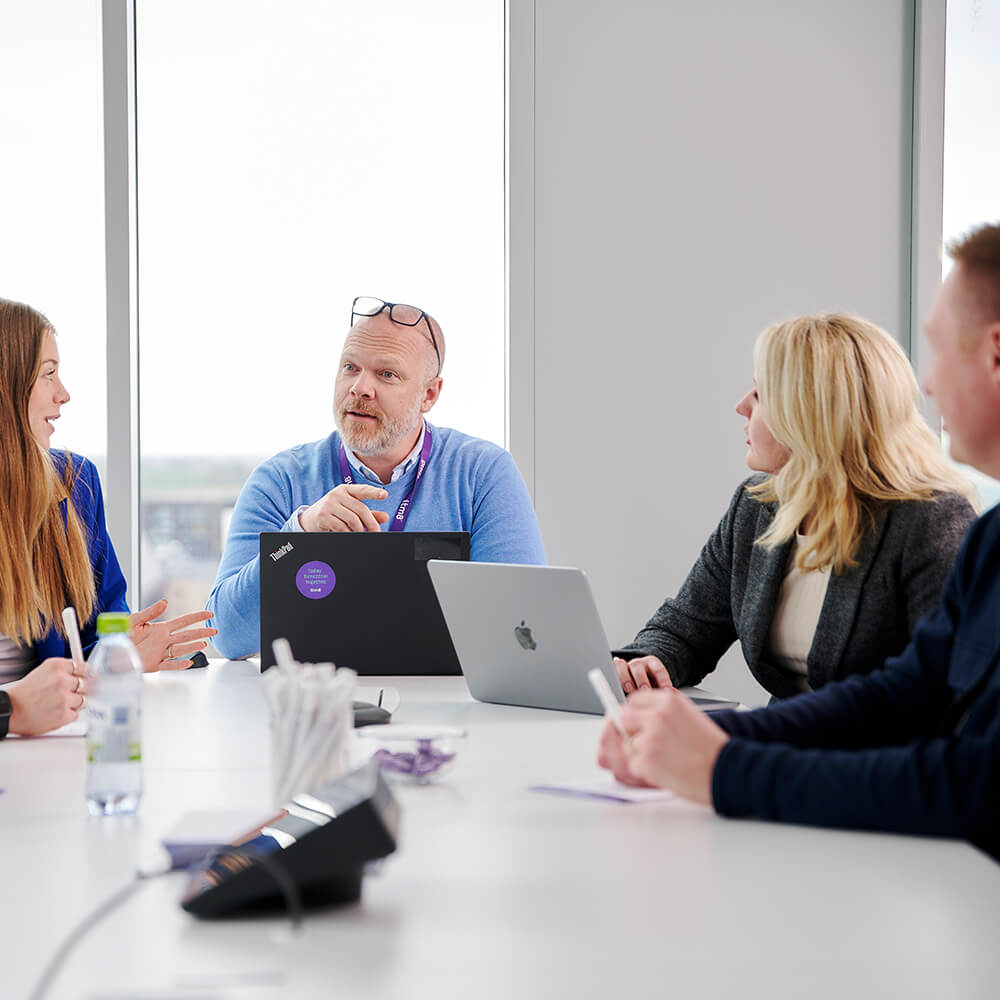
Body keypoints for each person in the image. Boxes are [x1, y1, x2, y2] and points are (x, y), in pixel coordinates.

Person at [598, 222, 1000, 859]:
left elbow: (960, 765)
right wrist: (708, 737)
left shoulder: (936, 522)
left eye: (940, 348)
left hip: (888, 836)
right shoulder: (989, 540)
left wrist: (726, 766)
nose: (926, 387)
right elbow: (904, 690)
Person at [613, 312, 977, 701]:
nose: (740, 406)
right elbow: (686, 628)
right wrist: (645, 662)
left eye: (760, 394)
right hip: (782, 735)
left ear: (809, 415)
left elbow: (948, 695)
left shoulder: (930, 521)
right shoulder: (756, 505)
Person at [207, 296, 546, 658]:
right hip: (321, 691)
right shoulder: (280, 480)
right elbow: (226, 636)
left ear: (429, 394)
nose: (360, 388)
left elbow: (522, 626)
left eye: (387, 374)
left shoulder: (483, 473)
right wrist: (299, 536)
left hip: (446, 692)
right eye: (350, 367)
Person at [0, 299, 216, 738]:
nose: (63, 393)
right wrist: (10, 710)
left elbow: (91, 635)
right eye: (48, 373)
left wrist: (122, 653)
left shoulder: (75, 484)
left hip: (48, 752)